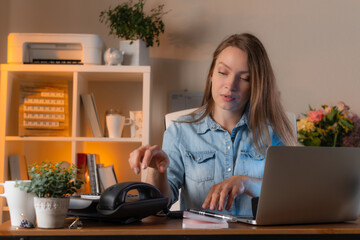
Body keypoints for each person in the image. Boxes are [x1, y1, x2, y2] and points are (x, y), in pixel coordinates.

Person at [128, 33, 298, 216]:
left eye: (245, 78)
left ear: (257, 84)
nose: (230, 85)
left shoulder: (273, 132)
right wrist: (156, 171)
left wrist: (246, 183)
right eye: (223, 72)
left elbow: (292, 194)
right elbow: (159, 207)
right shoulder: (180, 131)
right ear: (211, 75)